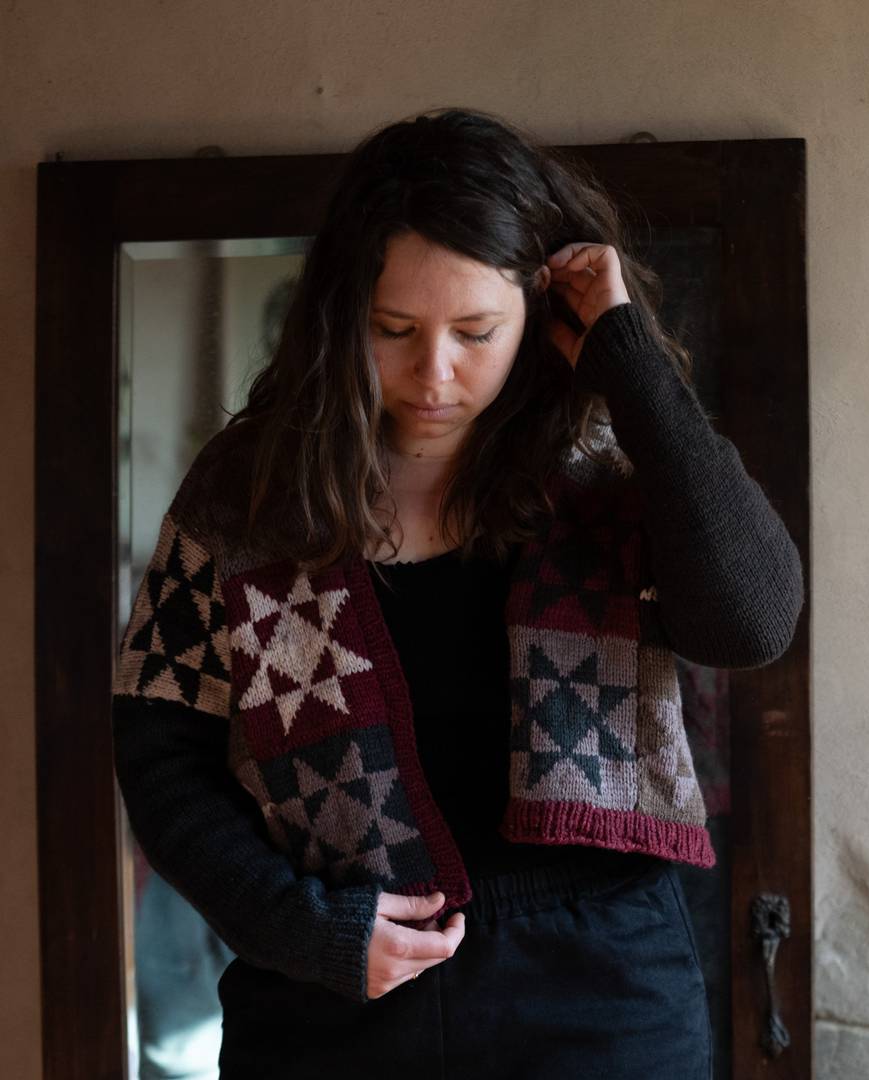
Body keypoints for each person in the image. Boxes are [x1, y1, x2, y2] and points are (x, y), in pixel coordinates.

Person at [111, 106, 804, 1079]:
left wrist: (631, 360)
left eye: (476, 332)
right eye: (392, 329)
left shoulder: (608, 468)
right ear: (338, 315)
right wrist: (294, 924)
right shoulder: (249, 497)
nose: (434, 374)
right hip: (330, 997)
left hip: (602, 995)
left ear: (537, 312)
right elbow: (159, 752)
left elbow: (751, 621)